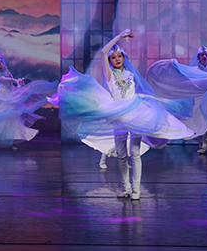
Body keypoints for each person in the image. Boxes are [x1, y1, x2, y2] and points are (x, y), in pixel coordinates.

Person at [55, 30, 195, 200]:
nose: (117, 59)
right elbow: (103, 52)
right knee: (122, 155)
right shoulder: (110, 75)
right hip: (118, 117)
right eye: (113, 57)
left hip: (135, 114)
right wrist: (119, 37)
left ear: (124, 57)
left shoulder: (130, 75)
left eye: (119, 56)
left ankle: (136, 189)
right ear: (110, 61)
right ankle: (126, 188)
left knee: (135, 153)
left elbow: (132, 94)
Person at [145, 46, 207, 154]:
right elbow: (188, 83)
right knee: (197, 121)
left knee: (206, 121)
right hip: (197, 100)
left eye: (206, 55)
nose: (204, 57)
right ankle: (199, 142)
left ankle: (204, 143)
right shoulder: (194, 70)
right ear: (198, 57)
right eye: (202, 55)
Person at [0, 52, 57, 150]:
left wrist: (19, 84)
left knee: (12, 120)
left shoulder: (6, 70)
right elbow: (8, 80)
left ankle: (12, 142)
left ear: (2, 62)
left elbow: (11, 84)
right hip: (2, 97)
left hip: (10, 96)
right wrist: (16, 81)